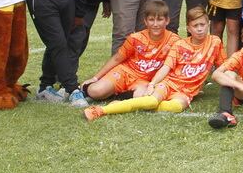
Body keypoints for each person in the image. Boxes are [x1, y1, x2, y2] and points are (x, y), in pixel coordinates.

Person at [83, 6, 223, 121]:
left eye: (202, 25)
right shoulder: (175, 44)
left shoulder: (212, 42)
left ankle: (123, 104)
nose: (199, 29)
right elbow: (165, 67)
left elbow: (224, 67)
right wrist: (96, 78)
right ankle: (101, 109)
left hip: (181, 90)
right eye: (195, 25)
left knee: (175, 107)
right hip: (156, 80)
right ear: (188, 28)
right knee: (147, 101)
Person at [82, 1, 179, 99]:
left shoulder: (174, 41)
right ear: (145, 21)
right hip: (125, 73)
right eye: (151, 20)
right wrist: (95, 78)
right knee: (95, 91)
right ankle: (84, 88)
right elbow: (117, 58)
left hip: (145, 81)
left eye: (159, 20)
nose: (155, 24)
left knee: (145, 96)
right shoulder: (135, 38)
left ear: (167, 21)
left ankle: (119, 95)